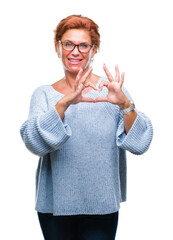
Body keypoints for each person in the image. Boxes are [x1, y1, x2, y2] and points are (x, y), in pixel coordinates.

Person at [20, 15, 153, 240]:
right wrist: (63, 103)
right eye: (68, 44)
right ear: (58, 47)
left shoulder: (112, 93)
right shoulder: (43, 94)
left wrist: (124, 104)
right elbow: (34, 143)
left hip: (101, 205)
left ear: (94, 50)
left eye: (83, 45)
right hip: (54, 206)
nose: (75, 51)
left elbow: (140, 143)